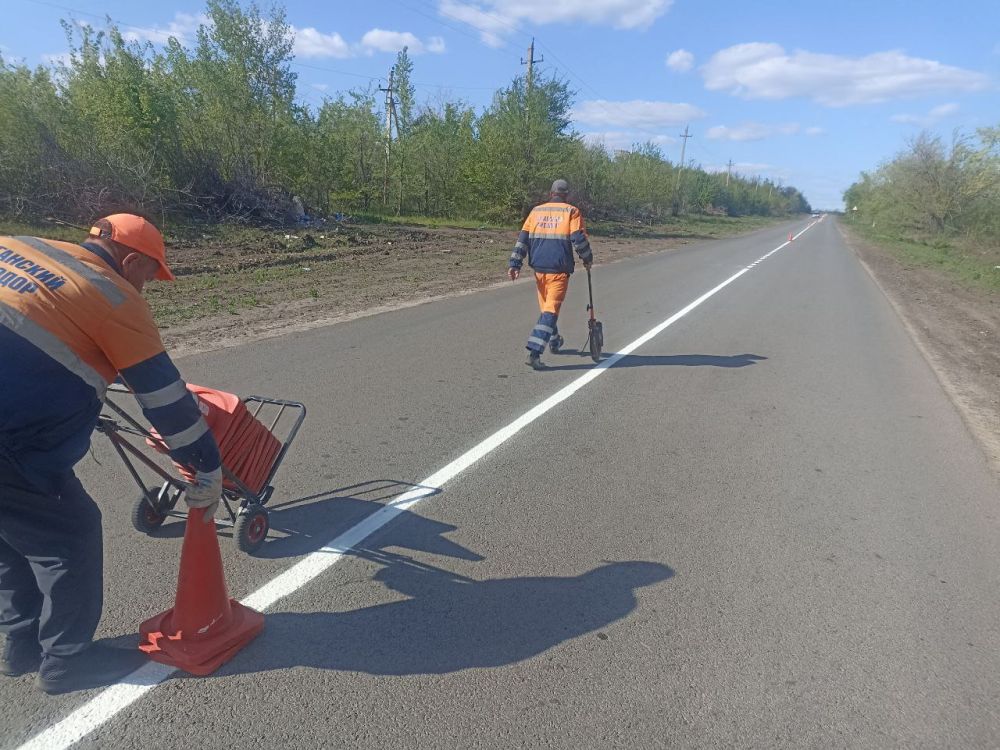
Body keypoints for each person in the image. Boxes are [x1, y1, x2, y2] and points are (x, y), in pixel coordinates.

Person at [0, 214, 223, 694]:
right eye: (151, 274)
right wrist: (207, 464)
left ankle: (20, 646)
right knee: (69, 534)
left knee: (12, 530)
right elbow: (165, 400)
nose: (149, 286)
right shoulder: (114, 298)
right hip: (9, 441)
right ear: (131, 259)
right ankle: (66, 663)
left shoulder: (13, 245)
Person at [507, 179, 593, 370]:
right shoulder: (571, 211)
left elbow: (523, 239)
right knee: (550, 311)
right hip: (558, 270)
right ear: (566, 195)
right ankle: (534, 353)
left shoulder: (536, 211)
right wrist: (587, 259)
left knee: (547, 309)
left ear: (550, 193)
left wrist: (515, 263)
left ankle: (554, 341)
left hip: (539, 269)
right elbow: (578, 239)